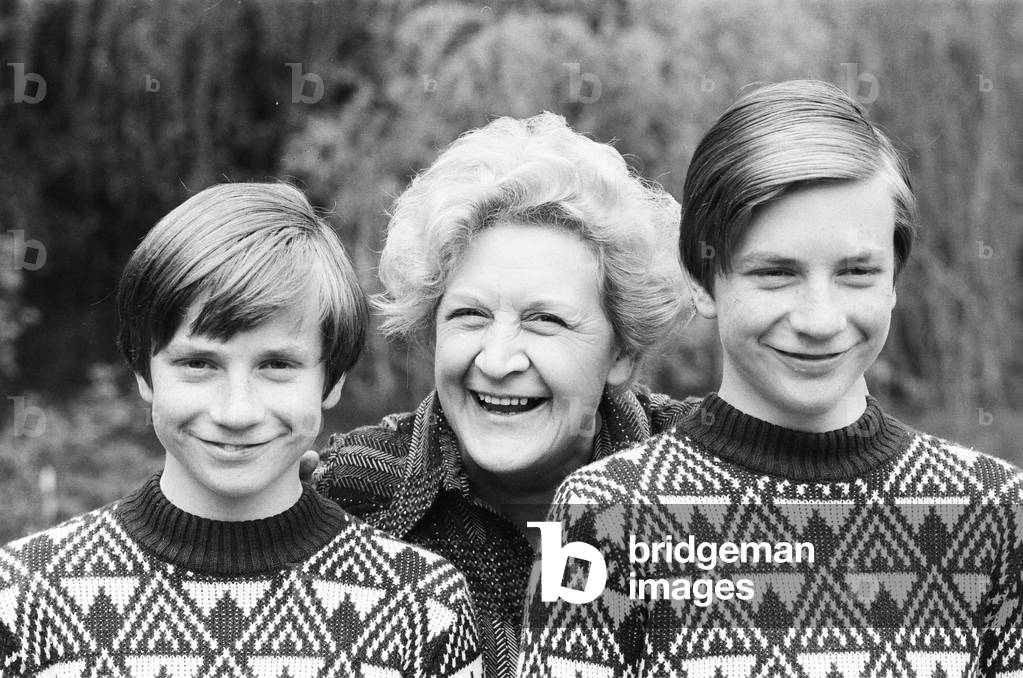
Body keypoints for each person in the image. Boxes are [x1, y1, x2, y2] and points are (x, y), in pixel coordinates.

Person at [517, 81, 1023, 677]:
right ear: (703, 281)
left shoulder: (996, 513)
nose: (819, 319)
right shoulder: (601, 514)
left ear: (894, 280)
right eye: (776, 273)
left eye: (857, 272)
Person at [0, 183, 483, 677]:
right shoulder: (26, 599)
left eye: (276, 365)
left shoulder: (421, 609)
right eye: (199, 363)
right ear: (144, 372)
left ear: (332, 379)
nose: (237, 411)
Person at [310, 112, 696, 678]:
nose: (496, 360)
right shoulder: (349, 497)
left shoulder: (713, 483)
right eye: (469, 315)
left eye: (544, 321)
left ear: (621, 354)